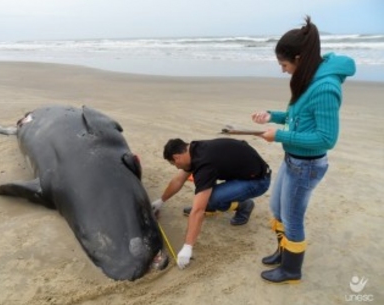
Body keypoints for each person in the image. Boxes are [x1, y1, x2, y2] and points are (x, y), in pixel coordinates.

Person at [251, 16, 356, 284]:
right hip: (292, 159)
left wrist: (280, 135)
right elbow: (297, 115)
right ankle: (283, 251)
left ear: (298, 58)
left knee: (293, 218)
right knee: (277, 208)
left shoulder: (325, 87)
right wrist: (272, 116)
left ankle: (291, 270)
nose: (283, 70)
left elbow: (325, 138)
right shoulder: (307, 77)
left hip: (307, 165)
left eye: (284, 65)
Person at [151, 138, 271, 269]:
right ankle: (221, 204)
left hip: (258, 181)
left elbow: (197, 211)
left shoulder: (204, 164)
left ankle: (243, 206)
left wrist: (187, 247)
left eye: (174, 164)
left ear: (177, 157)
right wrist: (161, 201)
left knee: (209, 199)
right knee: (203, 191)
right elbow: (178, 180)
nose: (177, 167)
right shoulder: (194, 149)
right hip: (244, 171)